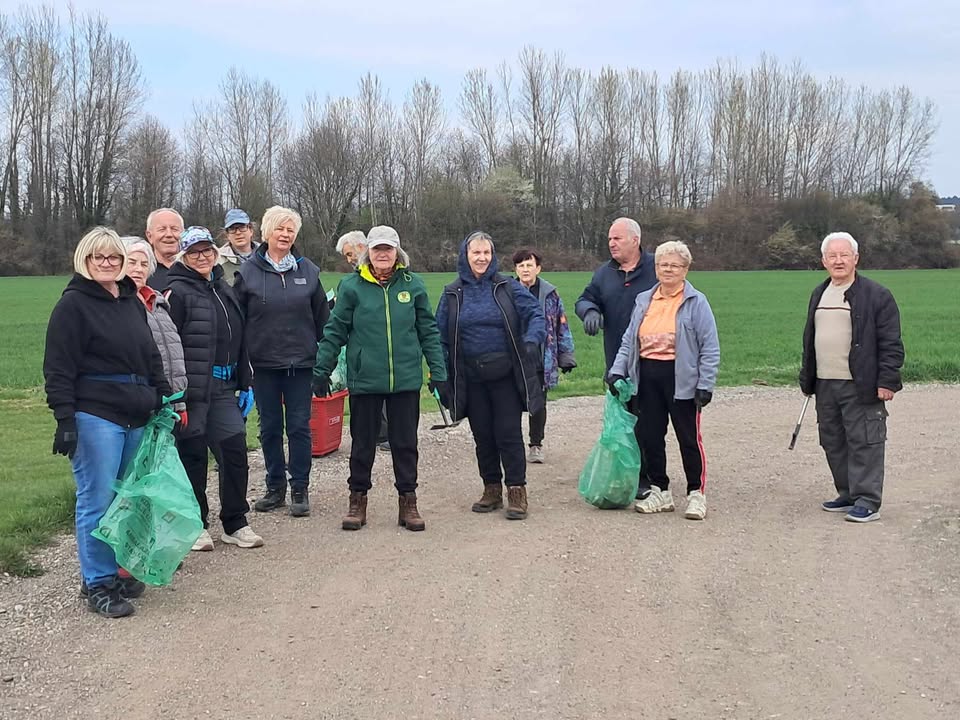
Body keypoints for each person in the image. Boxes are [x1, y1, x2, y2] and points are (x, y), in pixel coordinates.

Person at [43, 227, 172, 618]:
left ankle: (117, 571)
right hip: (96, 413)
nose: (107, 263)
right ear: (85, 259)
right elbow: (58, 368)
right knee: (97, 499)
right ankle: (97, 582)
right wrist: (65, 418)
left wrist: (163, 393)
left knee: (126, 498)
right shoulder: (73, 307)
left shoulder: (131, 302)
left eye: (113, 257)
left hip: (137, 411)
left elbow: (148, 353)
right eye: (99, 257)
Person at [313, 226, 448, 532]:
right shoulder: (352, 287)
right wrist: (322, 369)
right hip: (365, 379)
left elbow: (428, 331)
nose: (383, 254)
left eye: (388, 249)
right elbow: (335, 331)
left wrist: (439, 374)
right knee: (362, 444)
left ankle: (408, 502)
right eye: (377, 249)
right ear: (367, 253)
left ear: (397, 253)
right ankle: (357, 501)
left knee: (405, 444)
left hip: (405, 380)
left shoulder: (414, 286)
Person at [435, 232, 546, 520]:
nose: (482, 258)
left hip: (506, 374)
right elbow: (439, 336)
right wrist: (440, 371)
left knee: (508, 433)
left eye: (487, 253)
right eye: (476, 253)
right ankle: (492, 489)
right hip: (471, 377)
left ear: (493, 256)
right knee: (483, 435)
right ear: (465, 256)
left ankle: (517, 491)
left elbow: (535, 314)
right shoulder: (452, 293)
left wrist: (532, 341)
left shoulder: (507, 287)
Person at [607, 240, 719, 520]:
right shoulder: (644, 299)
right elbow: (629, 340)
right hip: (646, 376)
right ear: (655, 268)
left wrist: (705, 384)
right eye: (662, 264)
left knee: (688, 438)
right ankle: (661, 489)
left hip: (681, 379)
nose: (667, 269)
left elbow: (710, 347)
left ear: (685, 269)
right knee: (650, 436)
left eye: (674, 265)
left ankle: (696, 493)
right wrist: (618, 370)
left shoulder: (696, 302)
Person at [166, 226, 262, 550]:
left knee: (234, 450)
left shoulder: (224, 288)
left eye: (207, 250)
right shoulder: (177, 292)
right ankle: (196, 523)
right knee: (193, 456)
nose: (203, 256)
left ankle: (235, 522)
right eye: (195, 251)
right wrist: (174, 392)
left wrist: (245, 380)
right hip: (191, 390)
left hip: (224, 385)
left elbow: (241, 337)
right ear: (184, 255)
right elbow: (169, 344)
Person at [799, 231, 904, 523]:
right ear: (823, 261)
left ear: (856, 258)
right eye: (832, 256)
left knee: (865, 440)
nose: (838, 260)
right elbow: (810, 339)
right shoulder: (819, 293)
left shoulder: (877, 295)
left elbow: (891, 341)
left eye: (844, 255)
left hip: (861, 383)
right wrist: (807, 378)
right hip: (825, 382)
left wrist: (887, 380)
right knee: (833, 440)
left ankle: (868, 500)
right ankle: (846, 493)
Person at [235, 206, 329, 517]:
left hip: (301, 364)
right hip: (263, 365)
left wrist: (323, 362)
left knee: (300, 427)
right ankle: (275, 486)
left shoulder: (309, 272)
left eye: (291, 230)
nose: (285, 234)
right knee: (270, 427)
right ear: (267, 233)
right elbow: (237, 321)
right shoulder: (247, 271)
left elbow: (322, 322)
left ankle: (300, 487)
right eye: (280, 229)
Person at [575, 217, 657, 497]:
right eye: (609, 238)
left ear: (635, 239)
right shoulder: (604, 274)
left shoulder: (656, 269)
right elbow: (585, 298)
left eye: (617, 238)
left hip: (653, 360)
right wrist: (589, 312)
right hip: (618, 362)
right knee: (622, 421)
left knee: (649, 423)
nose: (611, 243)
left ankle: (649, 478)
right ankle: (625, 474)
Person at [512, 248, 576, 463]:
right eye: (521, 265)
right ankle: (511, 444)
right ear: (516, 270)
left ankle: (536, 444)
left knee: (538, 403)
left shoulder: (550, 294)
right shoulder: (506, 292)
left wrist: (566, 355)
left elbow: (561, 324)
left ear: (538, 268)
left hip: (541, 357)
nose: (525, 269)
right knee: (509, 402)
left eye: (529, 265)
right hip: (512, 357)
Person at [336, 229, 390, 450]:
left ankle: (387, 434)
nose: (349, 260)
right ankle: (377, 433)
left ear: (361, 248)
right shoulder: (352, 281)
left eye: (350, 254)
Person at [123, 237, 188, 416]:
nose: (138, 269)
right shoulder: (117, 304)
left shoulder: (159, 303)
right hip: (140, 400)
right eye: (132, 262)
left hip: (169, 401)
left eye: (144, 264)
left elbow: (174, 355)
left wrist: (178, 402)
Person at [145, 207, 185, 291]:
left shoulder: (196, 269)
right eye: (162, 229)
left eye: (174, 229)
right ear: (149, 236)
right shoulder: (142, 271)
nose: (169, 234)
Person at [217, 208, 260, 286]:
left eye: (242, 227)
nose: (238, 233)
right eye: (232, 229)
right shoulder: (218, 261)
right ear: (227, 235)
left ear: (251, 230)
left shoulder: (267, 255)